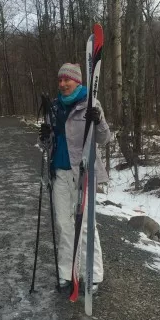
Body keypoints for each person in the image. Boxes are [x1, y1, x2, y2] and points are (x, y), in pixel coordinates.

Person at [39, 63, 110, 292]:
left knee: (87, 224)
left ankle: (94, 273)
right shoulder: (55, 107)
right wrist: (44, 136)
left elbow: (104, 138)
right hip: (59, 173)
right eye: (60, 80)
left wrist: (98, 120)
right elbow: (49, 142)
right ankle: (67, 273)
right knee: (63, 224)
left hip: (83, 173)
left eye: (67, 80)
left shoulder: (91, 103)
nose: (62, 84)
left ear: (77, 82)